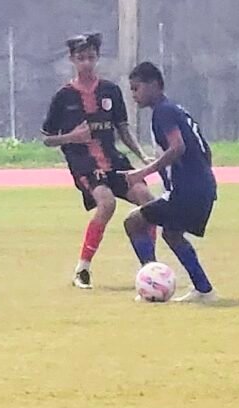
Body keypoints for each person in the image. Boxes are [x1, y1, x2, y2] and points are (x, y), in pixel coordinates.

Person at [41, 33, 155, 289]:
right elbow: (48, 139)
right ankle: (82, 269)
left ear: (97, 58)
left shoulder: (110, 91)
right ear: (72, 59)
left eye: (91, 57)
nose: (86, 63)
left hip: (114, 160)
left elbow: (123, 129)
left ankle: (150, 265)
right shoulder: (63, 96)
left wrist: (141, 155)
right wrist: (73, 136)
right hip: (84, 163)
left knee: (147, 199)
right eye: (80, 58)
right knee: (107, 203)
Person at [124, 62, 218, 303]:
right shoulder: (177, 110)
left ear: (154, 85)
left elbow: (178, 147)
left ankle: (151, 280)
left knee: (134, 222)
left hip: (187, 190)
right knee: (172, 234)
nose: (134, 95)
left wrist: (144, 171)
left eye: (137, 88)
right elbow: (204, 150)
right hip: (202, 187)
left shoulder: (163, 112)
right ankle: (204, 290)